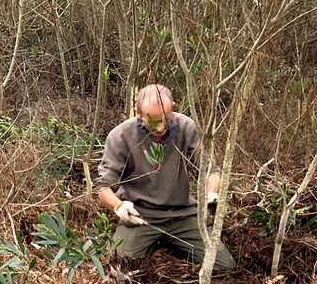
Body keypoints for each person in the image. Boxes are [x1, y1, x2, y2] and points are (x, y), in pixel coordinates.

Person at [96, 84, 235, 270]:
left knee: (225, 265)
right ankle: (158, 243)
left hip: (182, 215)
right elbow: (103, 188)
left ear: (173, 108)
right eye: (152, 121)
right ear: (137, 112)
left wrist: (212, 194)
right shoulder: (120, 136)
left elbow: (212, 169)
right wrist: (119, 206)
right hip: (141, 216)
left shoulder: (186, 127)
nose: (160, 127)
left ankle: (174, 244)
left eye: (166, 119)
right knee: (116, 265)